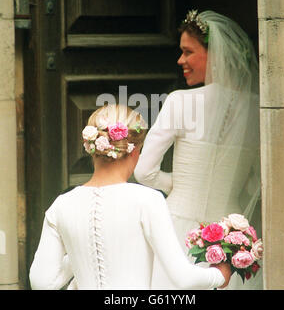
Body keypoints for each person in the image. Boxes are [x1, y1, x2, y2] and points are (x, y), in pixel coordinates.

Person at [29, 103, 232, 290]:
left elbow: (41, 282)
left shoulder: (62, 205)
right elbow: (182, 278)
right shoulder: (147, 200)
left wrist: (77, 252)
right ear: (135, 152)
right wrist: (220, 275)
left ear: (92, 149)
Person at [134, 10, 262, 290]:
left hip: (177, 228)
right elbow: (255, 181)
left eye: (188, 52)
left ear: (215, 54)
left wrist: (177, 185)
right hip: (233, 234)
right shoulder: (257, 109)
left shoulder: (181, 101)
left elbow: (144, 172)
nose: (181, 60)